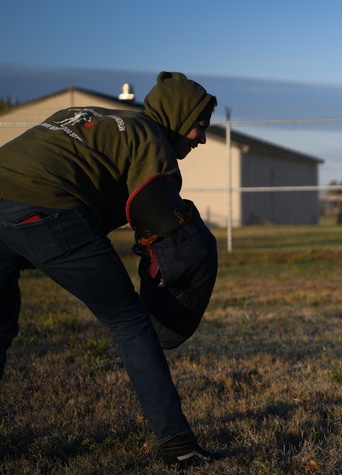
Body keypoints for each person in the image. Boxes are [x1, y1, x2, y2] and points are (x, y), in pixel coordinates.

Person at [0, 71, 219, 466]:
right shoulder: (153, 142)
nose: (200, 138)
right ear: (175, 117)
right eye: (198, 127)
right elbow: (163, 221)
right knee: (131, 322)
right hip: (48, 205)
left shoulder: (102, 117)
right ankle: (179, 445)